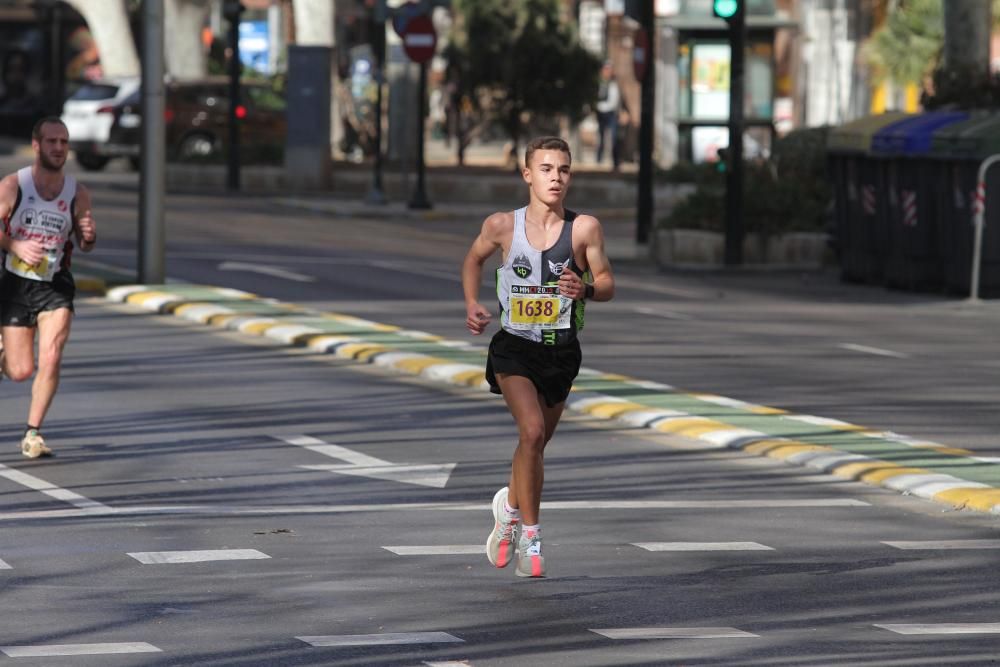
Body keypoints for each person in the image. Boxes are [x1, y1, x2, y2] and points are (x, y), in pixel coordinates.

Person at [462, 136, 615, 578]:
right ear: (527, 174)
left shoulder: (584, 229)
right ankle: (530, 534)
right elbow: (472, 261)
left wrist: (584, 289)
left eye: (563, 170)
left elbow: (606, 283)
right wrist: (472, 303)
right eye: (546, 169)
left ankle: (508, 507)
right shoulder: (501, 226)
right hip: (514, 348)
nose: (556, 178)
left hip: (561, 352)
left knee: (536, 444)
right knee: (530, 432)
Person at [0, 116, 97, 459]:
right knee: (20, 371)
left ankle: (33, 433)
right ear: (37, 145)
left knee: (52, 355)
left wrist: (88, 235)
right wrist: (14, 245)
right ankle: (4, 353)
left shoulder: (77, 193)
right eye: (52, 141)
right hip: (15, 284)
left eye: (64, 142)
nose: (59, 148)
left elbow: (85, 241)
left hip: (56, 284)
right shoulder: (14, 185)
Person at [594, 62, 621, 170]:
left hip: (612, 113)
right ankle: (598, 160)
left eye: (609, 70)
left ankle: (616, 162)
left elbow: (619, 99)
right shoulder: (598, 83)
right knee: (601, 136)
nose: (608, 72)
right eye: (606, 70)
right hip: (601, 112)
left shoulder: (614, 83)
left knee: (614, 137)